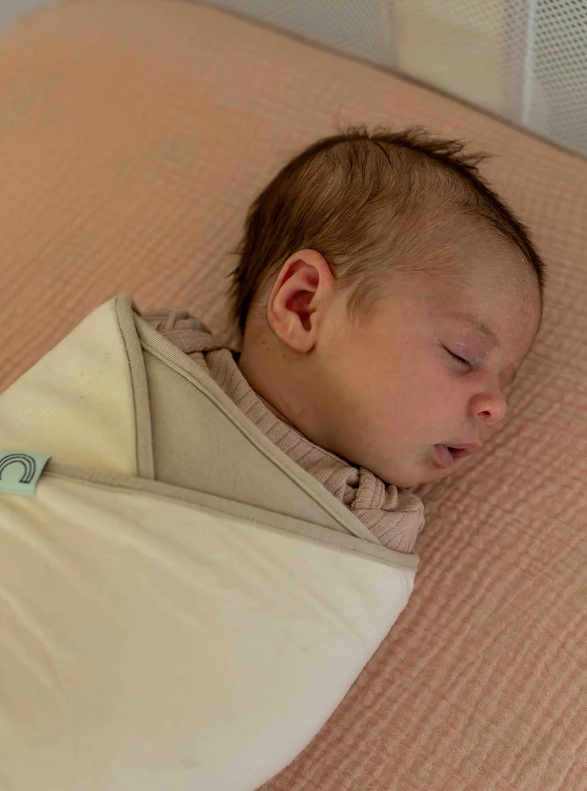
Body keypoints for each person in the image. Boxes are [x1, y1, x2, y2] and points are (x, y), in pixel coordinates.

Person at [143, 127, 545, 553]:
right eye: (463, 354)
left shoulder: (365, 528)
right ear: (303, 306)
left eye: (506, 382)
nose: (497, 407)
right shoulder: (157, 356)